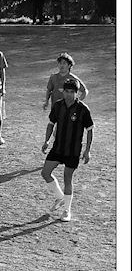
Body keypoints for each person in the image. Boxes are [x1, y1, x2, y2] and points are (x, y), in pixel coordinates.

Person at [41, 77, 94, 222]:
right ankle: (59, 197)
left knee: (67, 179)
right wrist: (46, 141)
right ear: (62, 92)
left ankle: (66, 211)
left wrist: (87, 150)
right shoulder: (58, 106)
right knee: (45, 173)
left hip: (73, 150)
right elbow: (51, 124)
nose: (69, 94)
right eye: (67, 91)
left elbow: (90, 130)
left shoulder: (83, 109)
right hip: (57, 148)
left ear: (77, 93)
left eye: (72, 92)